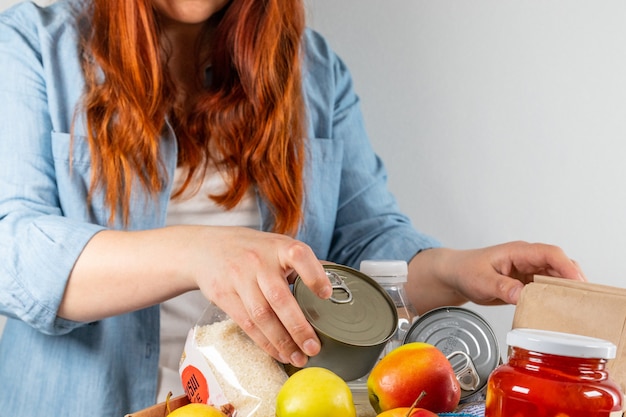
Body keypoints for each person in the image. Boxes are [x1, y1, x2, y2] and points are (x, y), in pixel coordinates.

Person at [0, 0, 586, 416]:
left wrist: (455, 269)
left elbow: (364, 247)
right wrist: (200, 254)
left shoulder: (315, 71)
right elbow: (13, 250)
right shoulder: (29, 44)